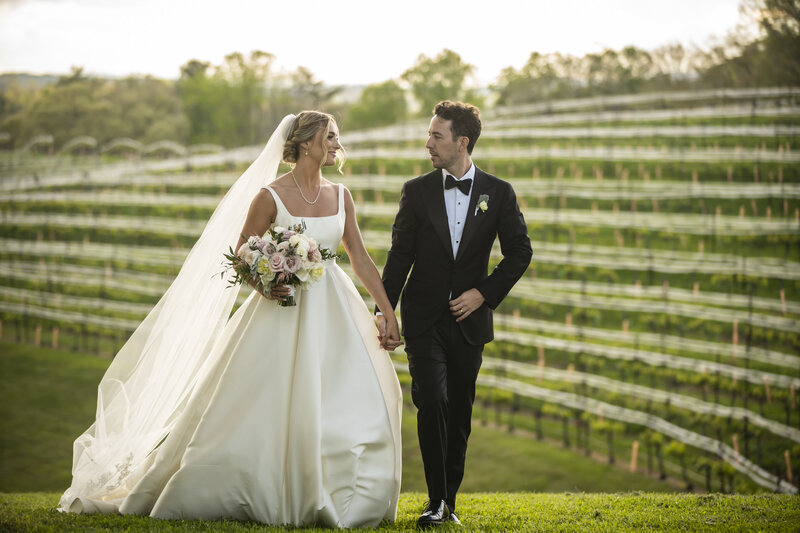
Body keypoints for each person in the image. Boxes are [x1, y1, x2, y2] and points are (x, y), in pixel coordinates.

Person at [59, 111, 403, 528]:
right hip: (282, 311)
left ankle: (338, 487)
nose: (336, 144)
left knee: (348, 398)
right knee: (265, 399)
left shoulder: (341, 195)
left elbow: (360, 259)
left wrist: (387, 312)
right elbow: (242, 254)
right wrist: (266, 283)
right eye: (330, 137)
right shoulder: (269, 197)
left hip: (336, 311)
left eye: (336, 138)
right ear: (307, 142)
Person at [379, 100, 532, 527]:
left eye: (436, 135)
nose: (428, 142)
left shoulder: (498, 192)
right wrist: (383, 310)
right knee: (432, 400)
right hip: (423, 319)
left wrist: (483, 294)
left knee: (460, 411)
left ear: (461, 142)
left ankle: (449, 500)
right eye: (429, 135)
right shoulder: (416, 191)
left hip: (470, 324)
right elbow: (400, 256)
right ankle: (434, 501)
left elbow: (520, 252)